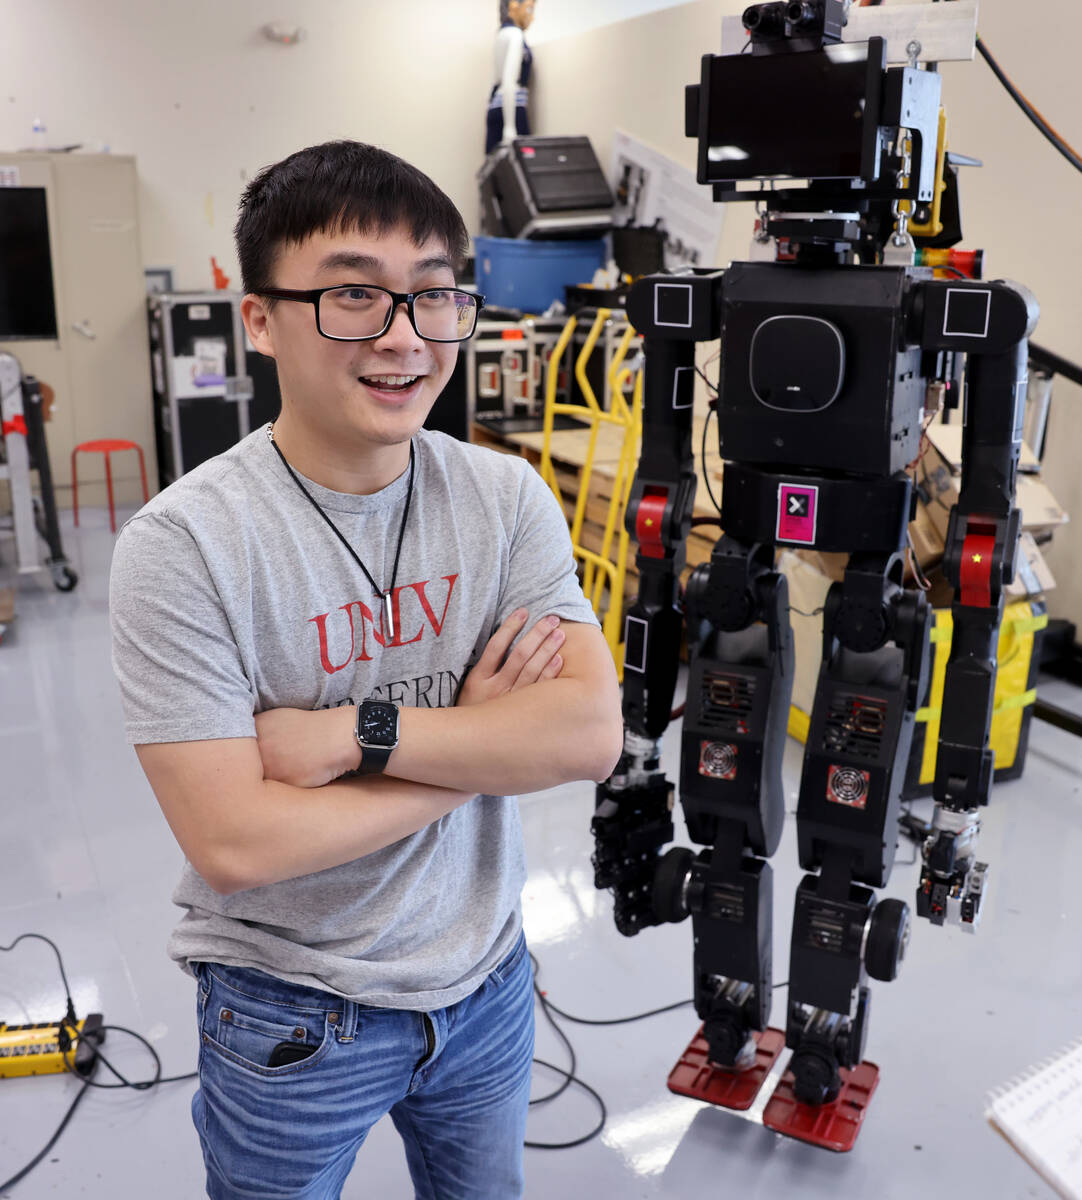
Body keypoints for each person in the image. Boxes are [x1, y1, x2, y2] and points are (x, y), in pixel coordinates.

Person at [109, 139, 623, 1200]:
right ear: (260, 319)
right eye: (354, 295)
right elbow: (237, 840)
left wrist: (359, 732)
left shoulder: (503, 497)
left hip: (485, 983)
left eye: (434, 296)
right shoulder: (184, 545)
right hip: (288, 1010)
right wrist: (483, 745)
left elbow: (584, 736)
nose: (403, 338)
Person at [486, 0, 536, 155]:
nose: (532, 17)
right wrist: (510, 127)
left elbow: (497, 82)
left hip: (496, 107)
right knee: (524, 164)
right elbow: (508, 81)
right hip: (511, 109)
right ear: (514, 5)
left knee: (496, 170)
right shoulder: (515, 34)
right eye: (529, 9)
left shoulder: (501, 34)